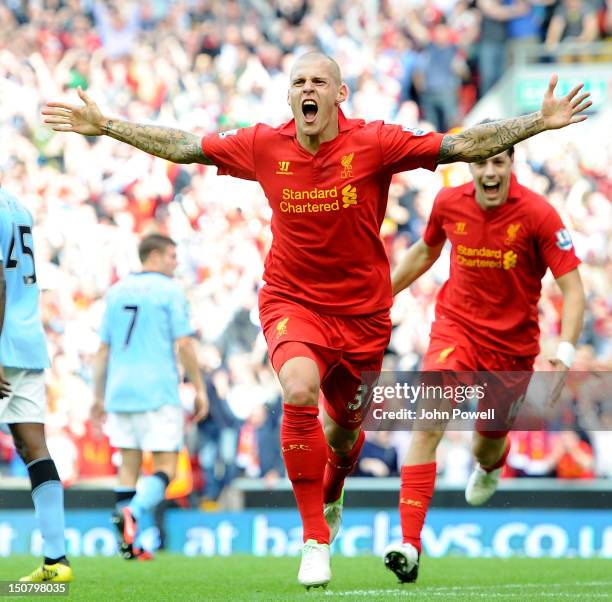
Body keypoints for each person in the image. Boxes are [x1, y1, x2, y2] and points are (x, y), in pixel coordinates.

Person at [43, 51, 591, 588]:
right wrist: (107, 126)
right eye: (298, 81)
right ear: (290, 94)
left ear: (338, 94)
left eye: (318, 81)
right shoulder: (263, 144)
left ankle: (336, 491)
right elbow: (185, 145)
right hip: (291, 301)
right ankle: (314, 539)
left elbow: (461, 144)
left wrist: (536, 125)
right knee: (299, 388)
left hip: (362, 319)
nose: (307, 89)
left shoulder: (375, 143)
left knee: (346, 433)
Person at [384, 138, 585, 583]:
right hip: (456, 329)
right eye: (480, 163)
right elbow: (425, 250)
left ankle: (491, 464)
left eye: (497, 161)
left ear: (511, 162)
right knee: (429, 421)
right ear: (469, 168)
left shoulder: (538, 214)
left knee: (486, 441)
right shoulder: (448, 203)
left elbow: (572, 287)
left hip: (511, 348)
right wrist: (381, 295)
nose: (489, 172)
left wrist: (565, 353)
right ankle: (410, 545)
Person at [91, 233, 208, 560]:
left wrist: (97, 396)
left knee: (128, 466)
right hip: (157, 391)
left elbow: (103, 350)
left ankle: (128, 545)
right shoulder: (169, 291)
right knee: (166, 468)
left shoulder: (115, 292)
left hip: (119, 392)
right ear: (154, 255)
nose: (176, 262)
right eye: (172, 256)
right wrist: (199, 387)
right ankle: (135, 512)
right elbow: (184, 344)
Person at [0, 188, 73, 582]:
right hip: (26, 339)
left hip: (2, 342)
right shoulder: (18, 205)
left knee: (33, 448)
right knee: (34, 449)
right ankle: (56, 561)